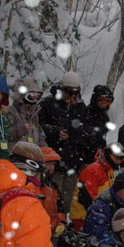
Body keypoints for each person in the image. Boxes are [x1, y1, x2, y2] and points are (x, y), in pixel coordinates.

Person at [38, 71, 88, 209]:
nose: (71, 96)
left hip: (73, 161)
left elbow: (86, 131)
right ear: (61, 87)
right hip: (54, 162)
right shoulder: (47, 104)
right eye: (68, 91)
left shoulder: (80, 107)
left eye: (75, 92)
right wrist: (56, 132)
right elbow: (38, 126)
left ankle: (63, 223)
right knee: (52, 197)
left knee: (68, 200)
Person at [6, 78, 47, 149]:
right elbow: (3, 135)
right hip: (15, 156)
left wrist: (43, 146)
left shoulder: (34, 115)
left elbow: (41, 135)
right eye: (31, 97)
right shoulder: (10, 112)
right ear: (22, 96)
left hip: (33, 156)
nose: (34, 100)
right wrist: (20, 129)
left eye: (36, 97)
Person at [83, 84, 114, 164]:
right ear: (96, 99)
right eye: (103, 101)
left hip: (99, 158)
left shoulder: (105, 118)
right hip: (83, 158)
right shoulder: (85, 113)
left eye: (109, 101)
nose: (105, 104)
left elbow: (102, 140)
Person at [40, 146, 67, 234]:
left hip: (52, 232)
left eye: (53, 164)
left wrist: (61, 223)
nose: (52, 167)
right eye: (49, 164)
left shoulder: (53, 186)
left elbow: (60, 209)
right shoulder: (33, 186)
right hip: (39, 232)